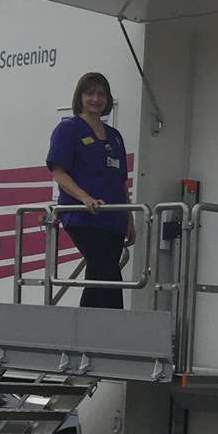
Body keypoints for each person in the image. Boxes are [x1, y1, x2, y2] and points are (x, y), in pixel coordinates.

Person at [46, 72, 133, 309]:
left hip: (113, 218)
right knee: (109, 274)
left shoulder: (115, 137)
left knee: (97, 277)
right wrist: (85, 198)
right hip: (83, 217)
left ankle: (83, 336)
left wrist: (130, 220)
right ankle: (115, 330)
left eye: (101, 94)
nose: (96, 99)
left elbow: (121, 181)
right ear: (80, 97)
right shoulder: (69, 130)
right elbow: (59, 173)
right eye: (90, 93)